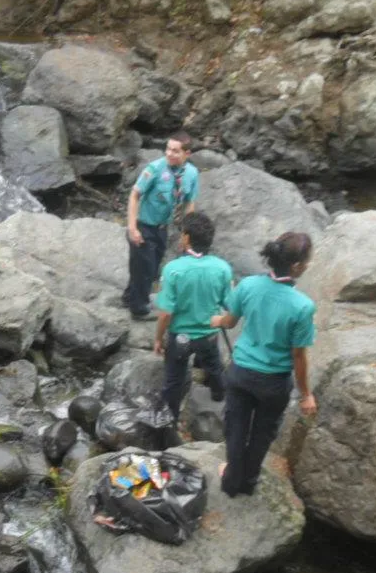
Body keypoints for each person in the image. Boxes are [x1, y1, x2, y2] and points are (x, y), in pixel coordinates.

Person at [210, 232, 318, 497]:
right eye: (307, 261)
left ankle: (231, 480)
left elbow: (230, 321)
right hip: (274, 382)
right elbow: (298, 356)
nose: (308, 265)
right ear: (295, 266)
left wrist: (217, 321)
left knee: (235, 427)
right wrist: (306, 394)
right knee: (262, 433)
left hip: (241, 373)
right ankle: (248, 481)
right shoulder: (302, 306)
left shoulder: (248, 285)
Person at [153, 212, 232, 421]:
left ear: (187, 238)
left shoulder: (173, 270)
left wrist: (158, 339)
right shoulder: (222, 268)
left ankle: (170, 419)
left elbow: (166, 313)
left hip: (180, 338)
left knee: (173, 380)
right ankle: (218, 394)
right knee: (214, 366)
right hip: (208, 335)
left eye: (181, 234)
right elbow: (230, 303)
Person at [122, 132, 200, 321]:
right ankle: (138, 309)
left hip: (162, 228)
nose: (170, 154)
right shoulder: (155, 169)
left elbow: (190, 202)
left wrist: (187, 234)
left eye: (175, 151)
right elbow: (134, 195)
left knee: (152, 266)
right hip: (144, 225)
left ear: (187, 154)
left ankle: (130, 296)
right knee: (145, 267)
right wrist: (132, 227)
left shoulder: (191, 174)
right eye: (168, 149)